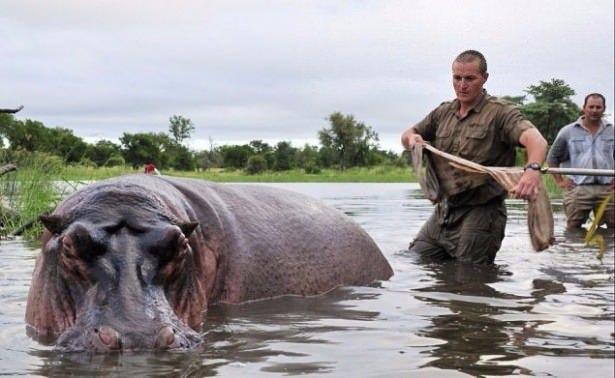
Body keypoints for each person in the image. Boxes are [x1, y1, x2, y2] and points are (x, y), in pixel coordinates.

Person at [400, 50, 548, 264]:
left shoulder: (500, 112)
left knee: (470, 282)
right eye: (457, 78)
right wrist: (413, 140)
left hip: (481, 213)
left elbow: (537, 141)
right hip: (444, 210)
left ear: (484, 78)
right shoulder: (443, 112)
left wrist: (532, 170)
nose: (462, 85)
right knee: (411, 260)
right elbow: (407, 135)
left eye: (469, 78)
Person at [547, 93, 614, 230]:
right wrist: (560, 181)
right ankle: (576, 251)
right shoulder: (568, 131)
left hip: (607, 188)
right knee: (573, 228)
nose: (594, 110)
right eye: (591, 107)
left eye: (598, 107)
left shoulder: (612, 131)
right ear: (584, 108)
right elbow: (552, 157)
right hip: (578, 187)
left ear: (604, 109)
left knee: (613, 228)